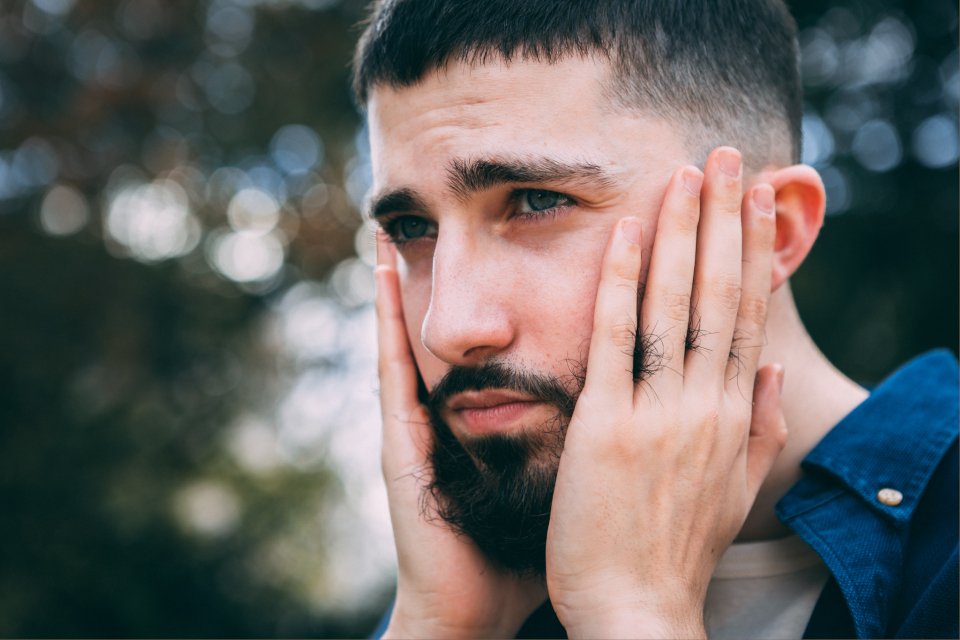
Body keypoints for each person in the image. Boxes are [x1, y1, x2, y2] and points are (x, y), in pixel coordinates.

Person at [354, 1, 959, 637]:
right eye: (411, 228)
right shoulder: (460, 597)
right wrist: (440, 626)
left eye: (537, 202)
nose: (448, 328)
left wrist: (633, 615)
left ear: (772, 231)